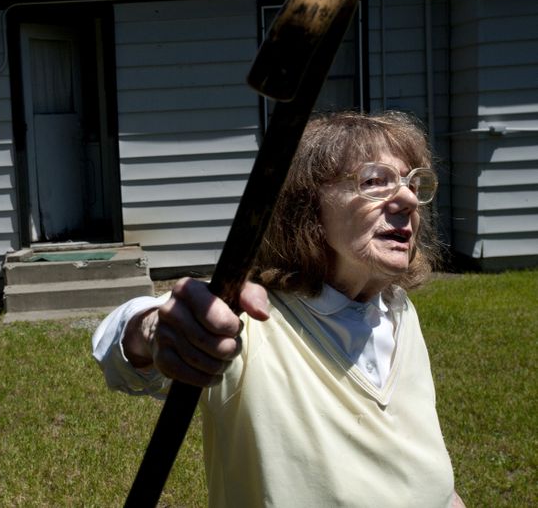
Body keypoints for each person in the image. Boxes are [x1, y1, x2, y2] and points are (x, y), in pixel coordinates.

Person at [92, 110, 466, 507]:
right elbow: (123, 344)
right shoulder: (249, 323)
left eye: (413, 182)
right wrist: (152, 331)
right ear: (306, 207)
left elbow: (430, 483)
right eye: (375, 181)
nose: (408, 199)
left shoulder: (398, 311)